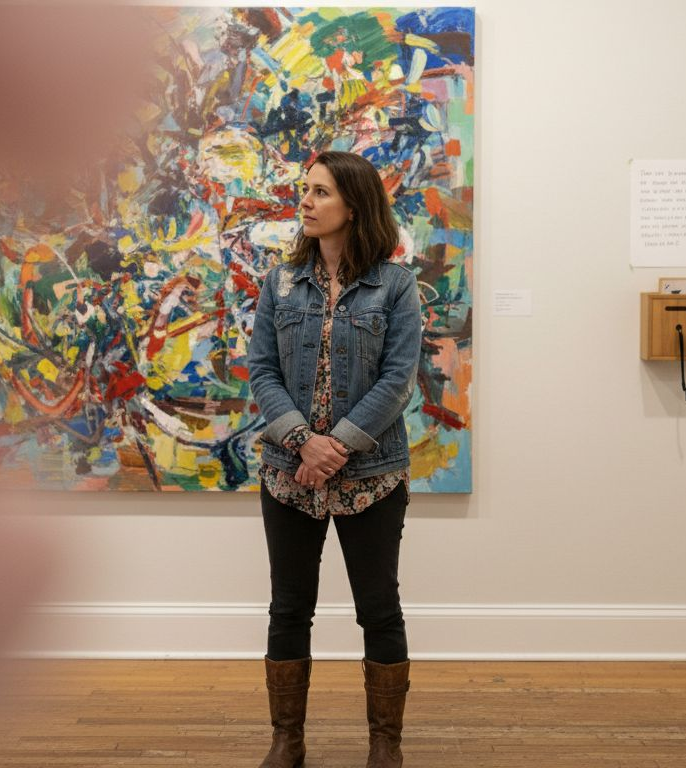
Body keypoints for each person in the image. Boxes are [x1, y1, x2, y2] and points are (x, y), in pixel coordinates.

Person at [247, 150, 423, 768]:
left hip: (370, 477)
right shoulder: (279, 282)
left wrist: (339, 445)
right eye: (305, 191)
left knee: (379, 608)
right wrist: (304, 443)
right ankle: (286, 740)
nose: (306, 202)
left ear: (353, 204)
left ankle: (385, 746)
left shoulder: (396, 286)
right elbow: (261, 372)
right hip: (289, 474)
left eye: (320, 192)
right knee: (288, 607)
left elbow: (399, 380)